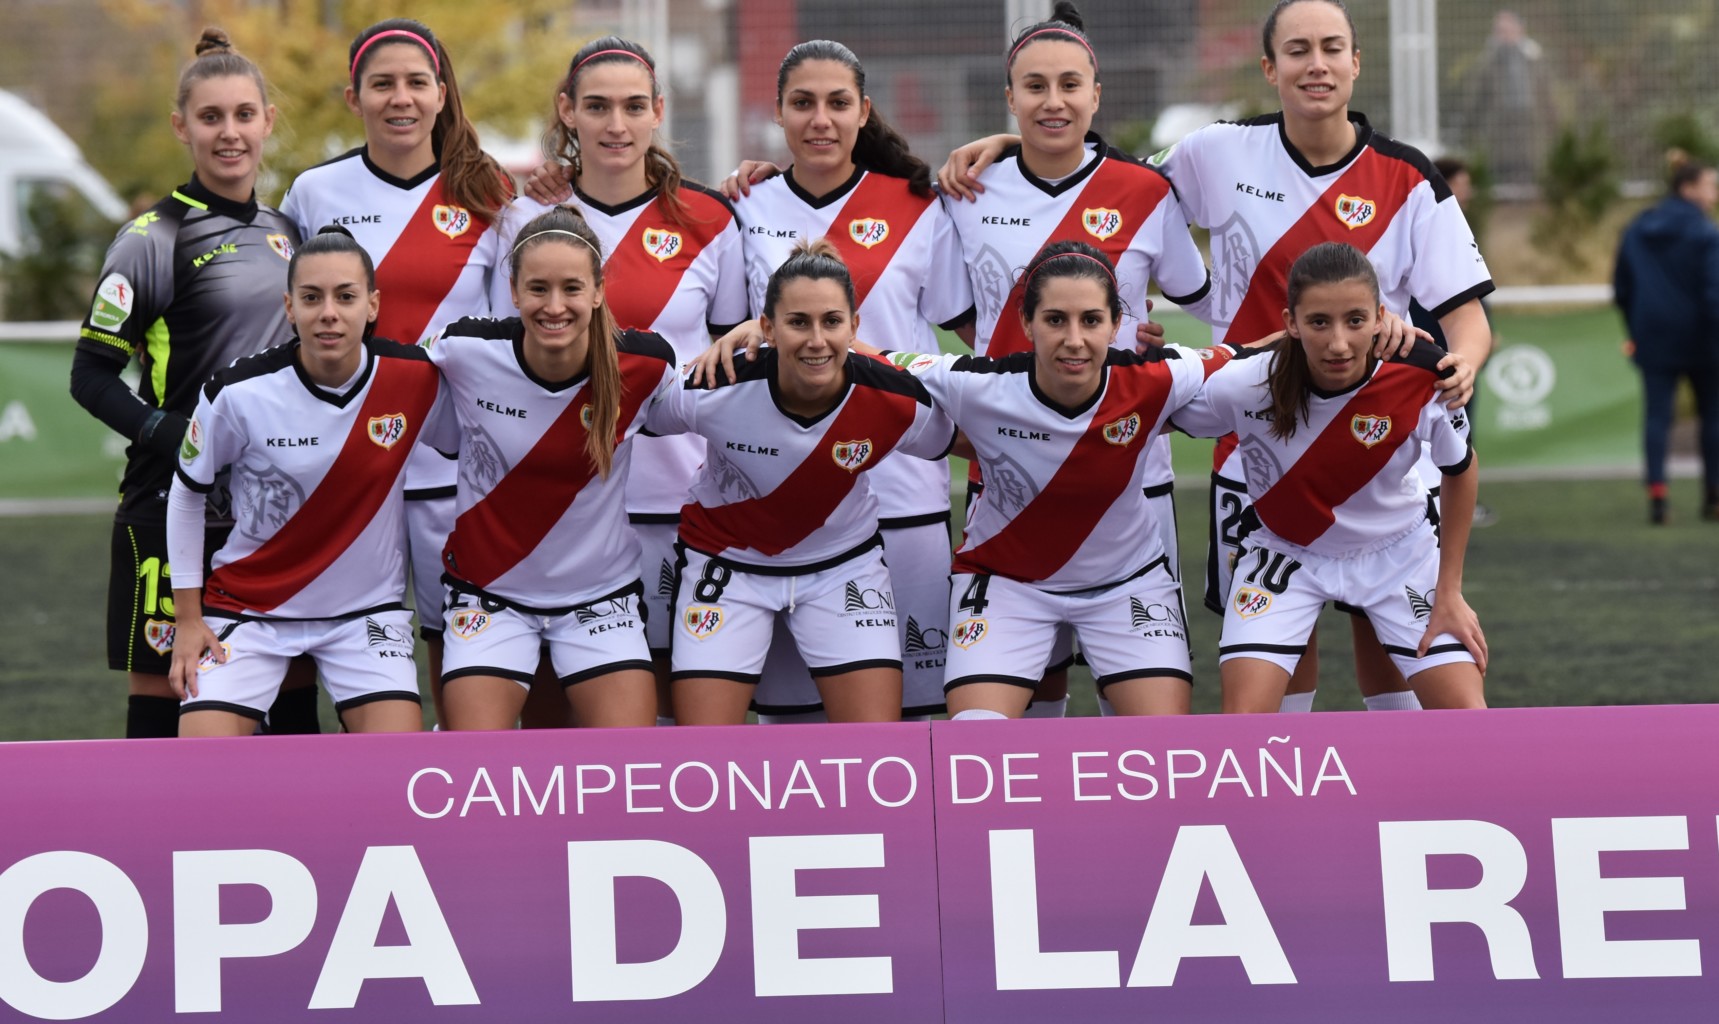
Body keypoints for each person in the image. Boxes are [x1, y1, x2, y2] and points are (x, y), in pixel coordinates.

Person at [943, 0, 1489, 715]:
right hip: (1254, 448)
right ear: (1269, 68)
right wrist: (1014, 144)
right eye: (1297, 50)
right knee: (1280, 655)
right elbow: (1097, 174)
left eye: (1331, 48)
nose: (1315, 65)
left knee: (1384, 642)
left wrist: (1463, 364)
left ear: (1356, 62)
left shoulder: (1406, 176)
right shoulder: (1215, 152)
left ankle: (1390, 795)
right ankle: (1286, 798)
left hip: (1376, 446)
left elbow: (1466, 320)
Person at [670, 39, 974, 722]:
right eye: (801, 103)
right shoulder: (743, 206)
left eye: (838, 103)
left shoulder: (920, 204)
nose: (820, 119)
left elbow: (974, 336)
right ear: (776, 112)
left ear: (863, 111)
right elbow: (721, 342)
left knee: (914, 716)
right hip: (778, 500)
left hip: (902, 495)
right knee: (789, 718)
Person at [67, 27, 320, 738]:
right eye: (211, 118)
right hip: (169, 506)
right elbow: (90, 375)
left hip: (274, 507)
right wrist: (175, 435)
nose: (229, 133)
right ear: (183, 126)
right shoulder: (152, 239)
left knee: (290, 699)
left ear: (268, 121)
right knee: (168, 693)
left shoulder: (290, 233)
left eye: (244, 115)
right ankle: (152, 850)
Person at [497, 37, 748, 719]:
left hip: (680, 500)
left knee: (667, 706)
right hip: (562, 507)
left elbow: (728, 359)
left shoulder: (712, 219)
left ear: (657, 112)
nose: (616, 124)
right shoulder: (525, 220)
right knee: (551, 714)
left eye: (634, 106)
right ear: (567, 112)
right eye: (598, 106)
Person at [890, 242, 1242, 719]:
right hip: (1006, 585)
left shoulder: (1158, 377)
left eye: (1091, 320)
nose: (1074, 339)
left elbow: (1263, 351)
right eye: (1055, 319)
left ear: (1118, 323)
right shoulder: (975, 383)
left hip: (1127, 585)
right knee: (974, 751)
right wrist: (755, 338)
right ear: (1026, 321)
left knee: (1163, 753)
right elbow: (859, 358)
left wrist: (1379, 329)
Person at [280, 18, 514, 723]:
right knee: (333, 637)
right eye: (382, 84)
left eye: (416, 82)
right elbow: (288, 323)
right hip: (344, 465)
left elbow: (506, 340)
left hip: (452, 467)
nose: (400, 98)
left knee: (457, 641)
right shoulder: (313, 192)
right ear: (354, 97)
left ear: (442, 94)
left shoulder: (490, 191)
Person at [646, 240, 955, 726]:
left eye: (832, 322)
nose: (816, 340)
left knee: (875, 753)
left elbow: (980, 444)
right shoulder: (715, 384)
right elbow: (629, 409)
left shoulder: (896, 399)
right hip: (727, 567)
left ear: (855, 327)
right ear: (766, 328)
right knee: (704, 759)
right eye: (797, 322)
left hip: (843, 569)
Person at [1172, 242, 1487, 712]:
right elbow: (1153, 411)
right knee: (1242, 732)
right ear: (1290, 323)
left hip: (1400, 554)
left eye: (1355, 321)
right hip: (1284, 556)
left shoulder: (1422, 375)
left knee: (1470, 724)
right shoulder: (1246, 382)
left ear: (1382, 317)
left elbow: (1461, 468)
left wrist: (1449, 591)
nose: (1338, 343)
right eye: (1319, 322)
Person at [165, 226, 455, 737]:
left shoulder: (415, 379)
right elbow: (188, 493)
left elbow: (476, 445)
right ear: (288, 306)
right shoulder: (238, 391)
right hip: (249, 611)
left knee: (396, 767)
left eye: (346, 297)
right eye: (311, 297)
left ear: (372, 305)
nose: (328, 313)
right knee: (201, 765)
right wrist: (189, 619)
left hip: (365, 616)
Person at [430, 208, 678, 729]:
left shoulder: (646, 365)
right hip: (487, 595)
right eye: (538, 289)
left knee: (629, 768)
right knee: (473, 769)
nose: (555, 306)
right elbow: (378, 374)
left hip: (600, 598)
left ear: (597, 290)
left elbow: (732, 397)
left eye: (571, 288)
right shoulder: (464, 349)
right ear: (514, 291)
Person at [1614, 151, 1719, 524]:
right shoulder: (1707, 231)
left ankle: (1658, 497)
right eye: (1710, 186)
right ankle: (1713, 495)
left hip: (1653, 335)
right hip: (1704, 340)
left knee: (1657, 417)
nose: (1714, 195)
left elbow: (1622, 288)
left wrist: (1636, 329)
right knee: (1713, 415)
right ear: (1687, 187)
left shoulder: (1638, 227)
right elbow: (1713, 293)